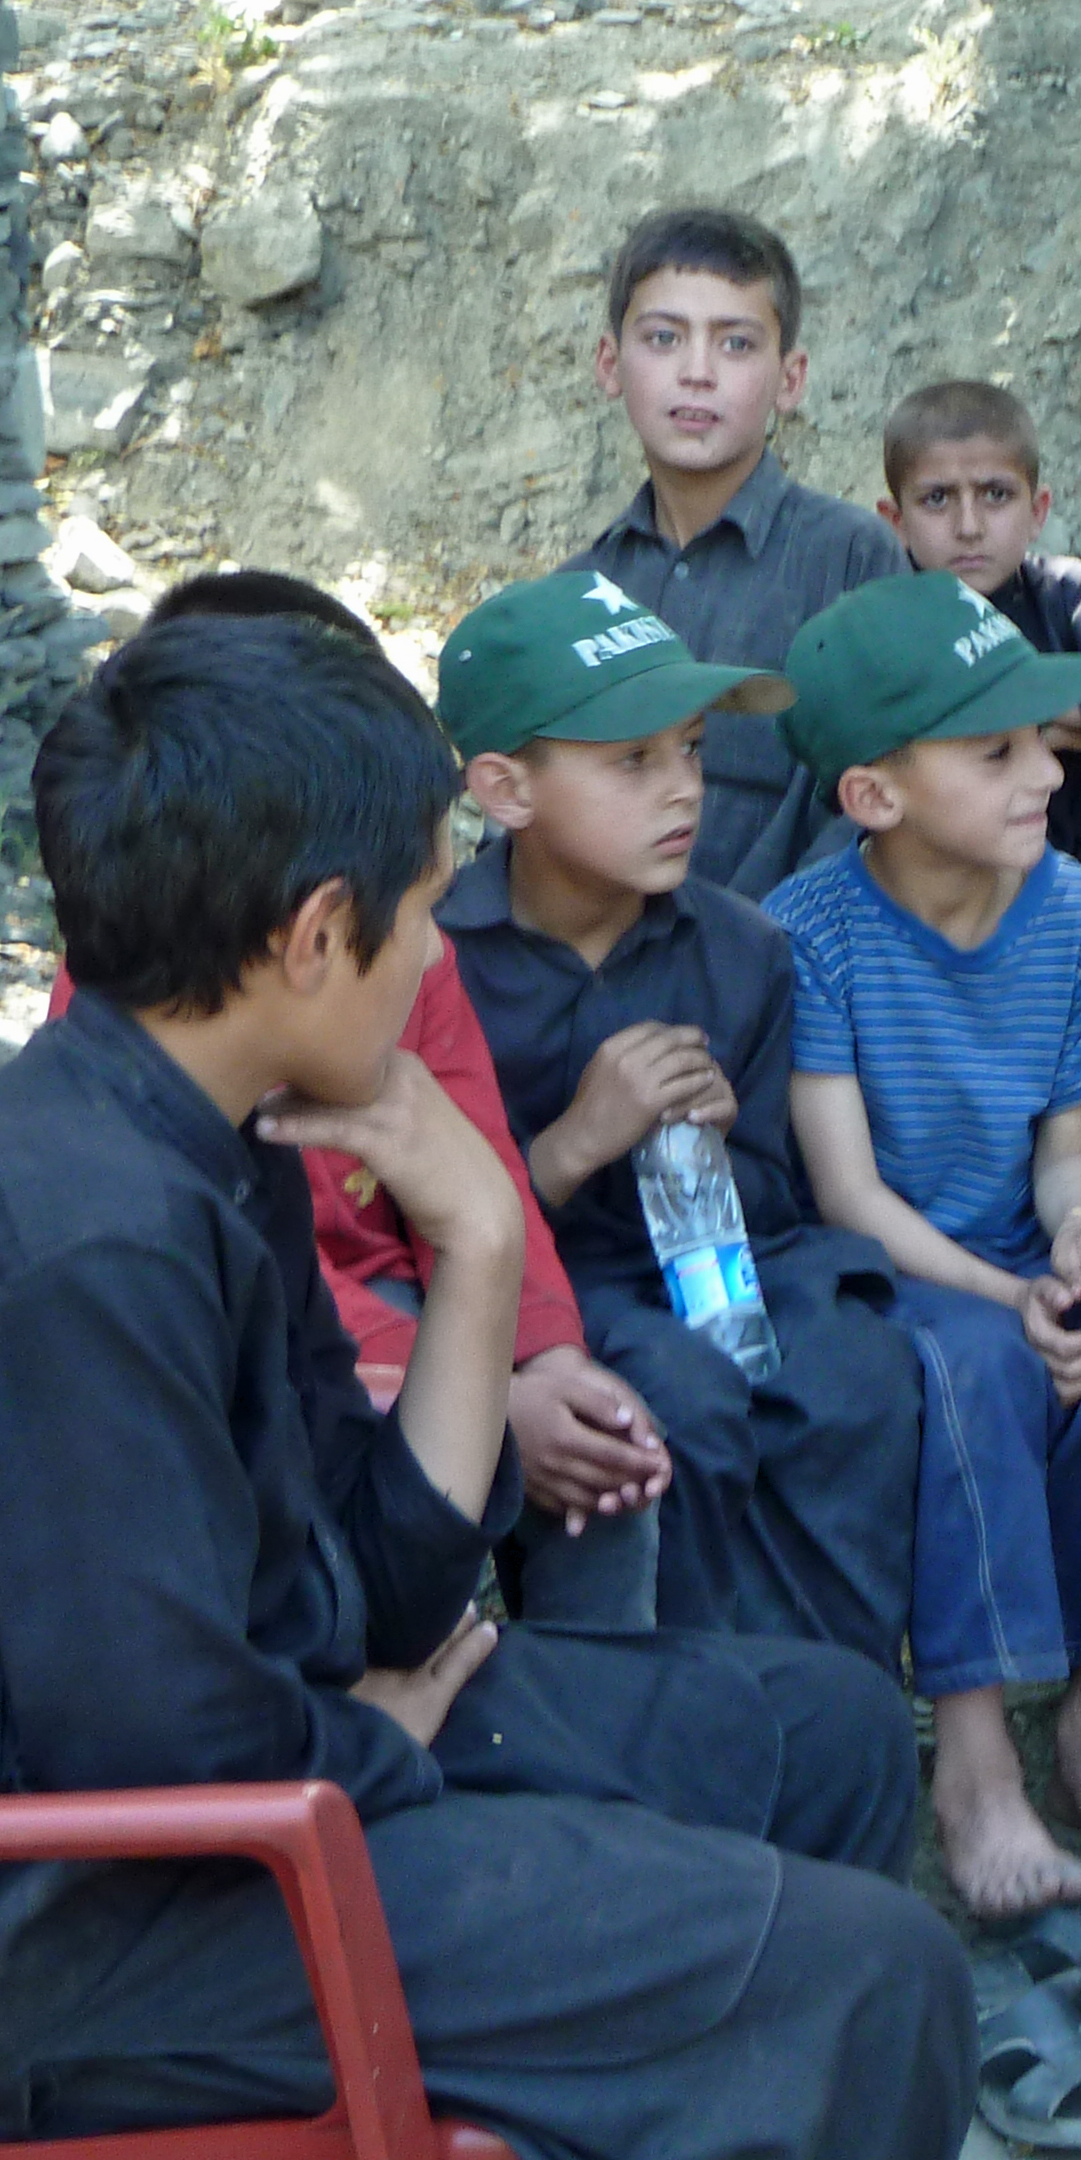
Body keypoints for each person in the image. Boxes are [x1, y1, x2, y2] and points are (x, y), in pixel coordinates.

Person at [0, 615, 973, 2160]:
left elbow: (379, 1571)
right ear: (312, 935)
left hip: (262, 1770)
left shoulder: (224, 1131)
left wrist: (483, 1238)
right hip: (78, 1930)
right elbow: (155, 1744)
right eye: (427, 913)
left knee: (831, 1736)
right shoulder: (82, 1246)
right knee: (871, 1984)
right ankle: (702, 2121)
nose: (441, 958)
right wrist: (380, 1731)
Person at [41, 571, 675, 1622]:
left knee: (606, 1459)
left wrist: (546, 1354)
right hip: (321, 1345)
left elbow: (480, 1157)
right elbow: (244, 1294)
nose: (436, 941)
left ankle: (582, 1686)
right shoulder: (133, 1002)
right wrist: (484, 1390)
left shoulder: (400, 951)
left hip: (423, 1298)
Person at [767, 570, 1081, 1918]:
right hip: (886, 1271)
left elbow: (1068, 1143)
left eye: (1042, 737)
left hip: (1017, 1246)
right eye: (996, 752)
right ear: (874, 797)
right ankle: (972, 1756)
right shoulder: (813, 936)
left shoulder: (1076, 915)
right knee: (966, 1367)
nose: (1043, 769)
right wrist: (1007, 1292)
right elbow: (848, 1195)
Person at [437, 574, 922, 1672]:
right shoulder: (439, 965)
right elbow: (421, 1225)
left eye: (694, 751)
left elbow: (771, 1193)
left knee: (855, 1375)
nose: (684, 792)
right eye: (633, 762)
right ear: (506, 790)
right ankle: (676, 1723)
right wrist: (578, 1139)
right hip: (547, 1294)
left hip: (730, 1267)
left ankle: (836, 1701)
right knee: (680, 1403)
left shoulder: (740, 949)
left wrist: (710, 1137)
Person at [565, 207, 908, 898]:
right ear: (610, 363)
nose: (696, 372)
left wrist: (748, 958)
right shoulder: (580, 593)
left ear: (790, 377)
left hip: (794, 973)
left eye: (736, 344)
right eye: (663, 338)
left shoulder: (849, 560)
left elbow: (878, 797)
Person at [873, 379, 1081, 865]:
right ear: (894, 521)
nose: (969, 526)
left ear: (1037, 512)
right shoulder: (880, 625)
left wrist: (1051, 711)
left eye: (995, 494)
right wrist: (1069, 719)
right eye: (937, 499)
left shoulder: (1068, 597)